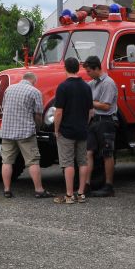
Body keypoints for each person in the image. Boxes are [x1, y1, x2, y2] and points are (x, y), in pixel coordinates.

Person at [0, 71, 52, 199]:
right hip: (25, 132)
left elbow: (4, 107)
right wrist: (38, 127)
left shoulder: (9, 89)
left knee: (7, 161)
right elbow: (38, 114)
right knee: (33, 161)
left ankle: (7, 190)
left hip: (7, 131)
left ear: (23, 79)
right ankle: (39, 190)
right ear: (34, 81)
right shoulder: (34, 91)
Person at [52, 57, 94, 205]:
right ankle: (81, 194)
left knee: (68, 163)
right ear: (78, 68)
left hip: (66, 131)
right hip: (82, 130)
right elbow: (90, 111)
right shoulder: (86, 87)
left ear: (65, 68)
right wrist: (84, 124)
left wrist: (56, 129)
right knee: (83, 162)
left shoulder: (63, 87)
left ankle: (69, 195)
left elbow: (58, 112)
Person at [84, 55, 119, 197]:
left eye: (89, 71)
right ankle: (86, 185)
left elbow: (105, 106)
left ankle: (109, 186)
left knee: (107, 153)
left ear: (96, 68)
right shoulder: (92, 83)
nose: (87, 74)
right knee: (88, 152)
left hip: (106, 121)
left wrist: (89, 102)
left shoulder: (108, 83)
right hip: (94, 121)